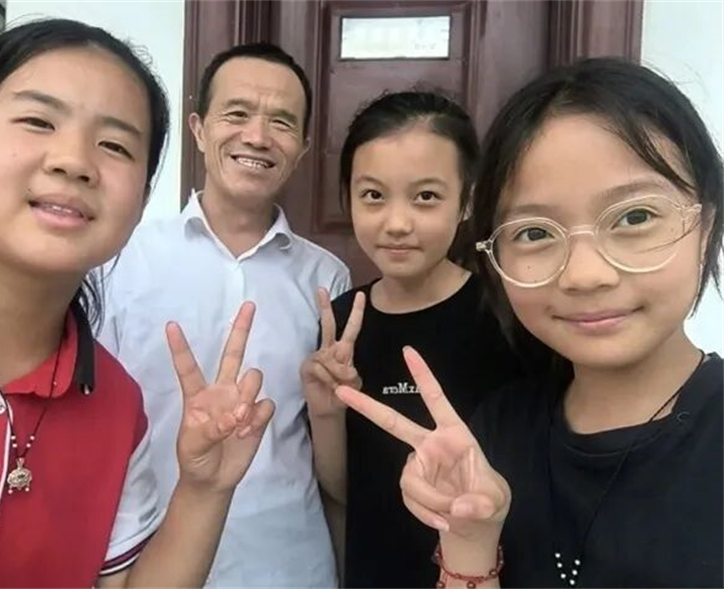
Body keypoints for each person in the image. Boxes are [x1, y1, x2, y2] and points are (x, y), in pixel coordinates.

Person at [336, 58, 723, 588]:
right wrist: (470, 538)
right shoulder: (498, 433)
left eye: (634, 217)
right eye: (535, 232)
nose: (585, 275)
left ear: (707, 224)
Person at [0, 19, 276, 588]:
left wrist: (204, 490)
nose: (73, 161)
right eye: (39, 121)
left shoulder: (115, 406)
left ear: (140, 202)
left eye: (114, 145)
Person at [99, 42, 348, 587]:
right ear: (198, 128)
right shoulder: (119, 258)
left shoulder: (327, 279)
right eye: (237, 114)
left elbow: (332, 448)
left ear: (303, 148)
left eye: (281, 122)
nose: (257, 137)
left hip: (289, 566)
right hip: (150, 563)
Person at [302, 91, 538, 587]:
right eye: (373, 196)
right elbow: (344, 491)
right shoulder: (342, 324)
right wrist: (325, 412)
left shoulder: (509, 315)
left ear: (467, 200)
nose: (397, 223)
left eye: (426, 196)